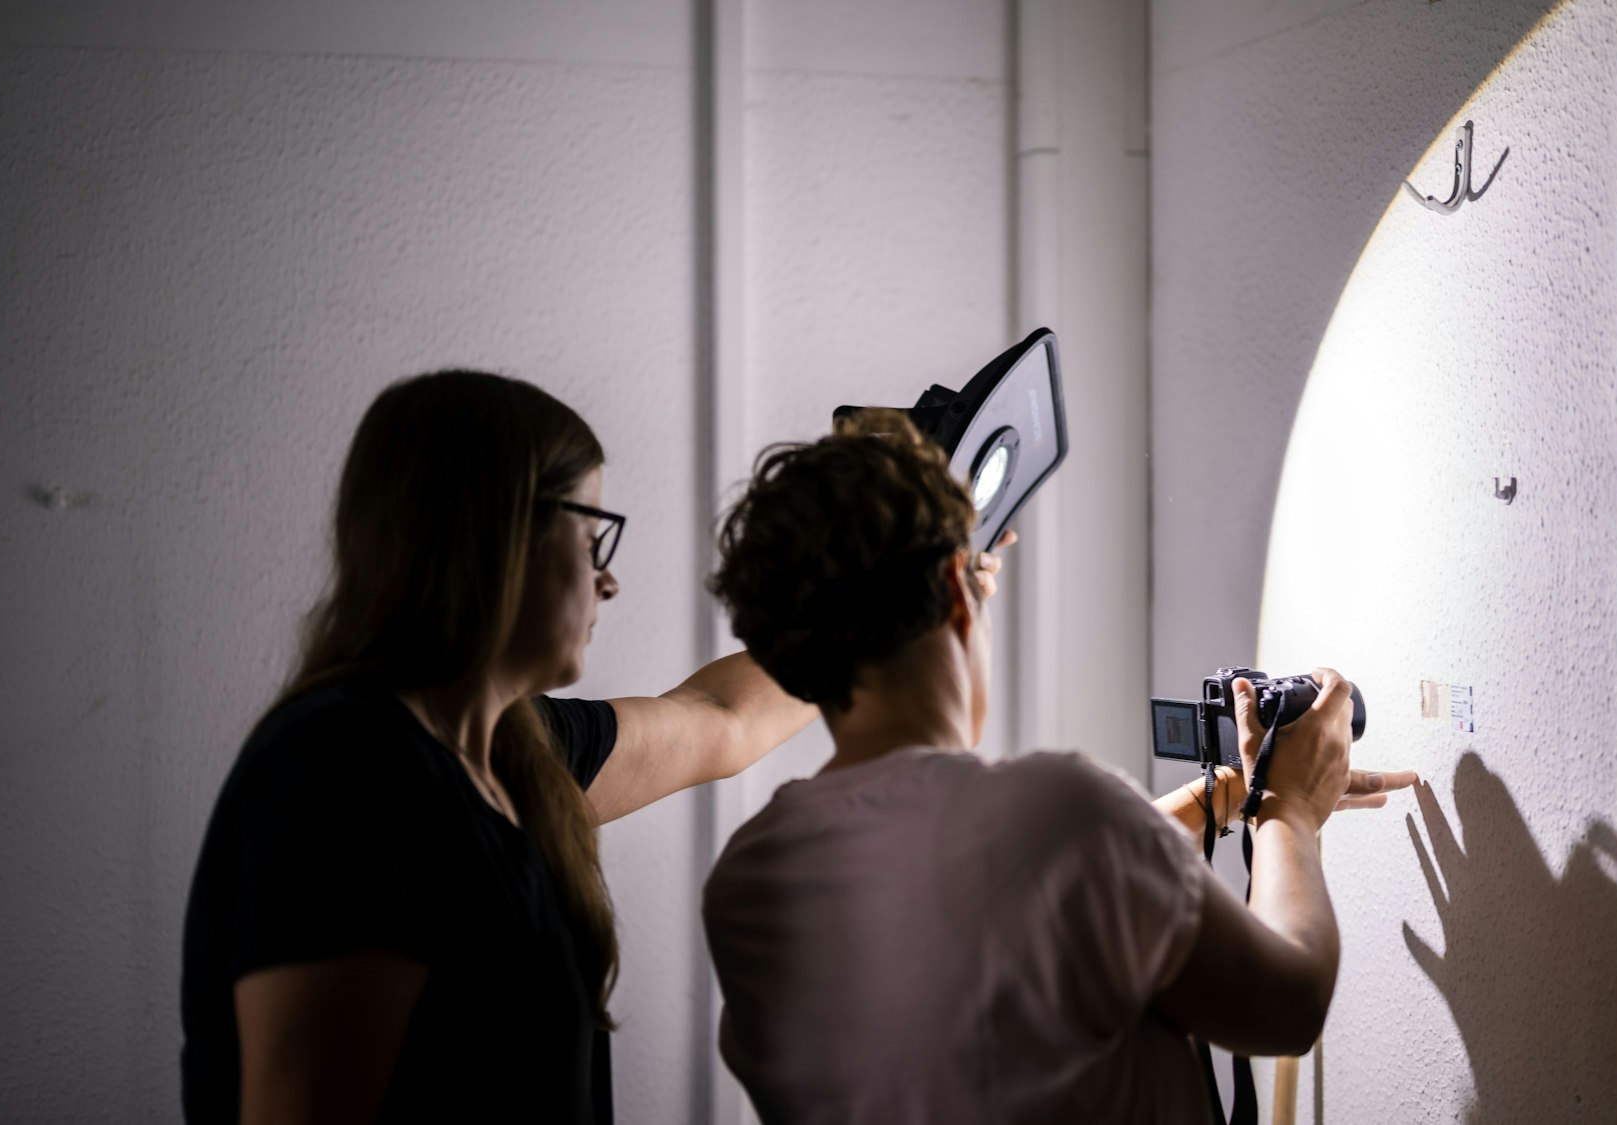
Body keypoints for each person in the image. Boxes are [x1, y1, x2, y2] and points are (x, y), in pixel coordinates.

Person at [180, 372, 1011, 1124]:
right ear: (495, 536)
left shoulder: (514, 750)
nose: (606, 579)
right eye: (591, 537)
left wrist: (912, 589)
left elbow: (722, 717)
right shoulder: (347, 773)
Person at [702, 410, 1417, 1123]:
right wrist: (1290, 812)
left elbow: (999, 907)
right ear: (959, 588)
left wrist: (1228, 795)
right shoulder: (1061, 814)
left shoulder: (751, 877)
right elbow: (1286, 1005)